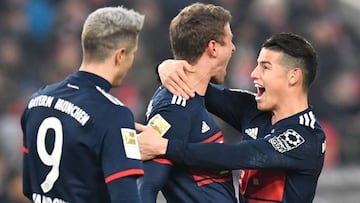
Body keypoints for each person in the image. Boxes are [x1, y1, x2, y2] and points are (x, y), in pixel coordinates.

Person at [136, 32, 326, 203]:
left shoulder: (305, 137)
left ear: (293, 76)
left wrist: (164, 147)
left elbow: (238, 155)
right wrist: (165, 68)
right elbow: (196, 84)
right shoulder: (253, 109)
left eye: (265, 67)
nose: (254, 74)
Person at [21, 6, 145, 203]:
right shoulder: (114, 114)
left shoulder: (36, 102)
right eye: (133, 54)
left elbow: (29, 187)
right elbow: (126, 197)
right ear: (120, 55)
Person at [139, 3, 237, 203]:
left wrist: (162, 66)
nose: (234, 48)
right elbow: (144, 185)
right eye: (229, 42)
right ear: (213, 48)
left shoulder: (190, 97)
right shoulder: (175, 107)